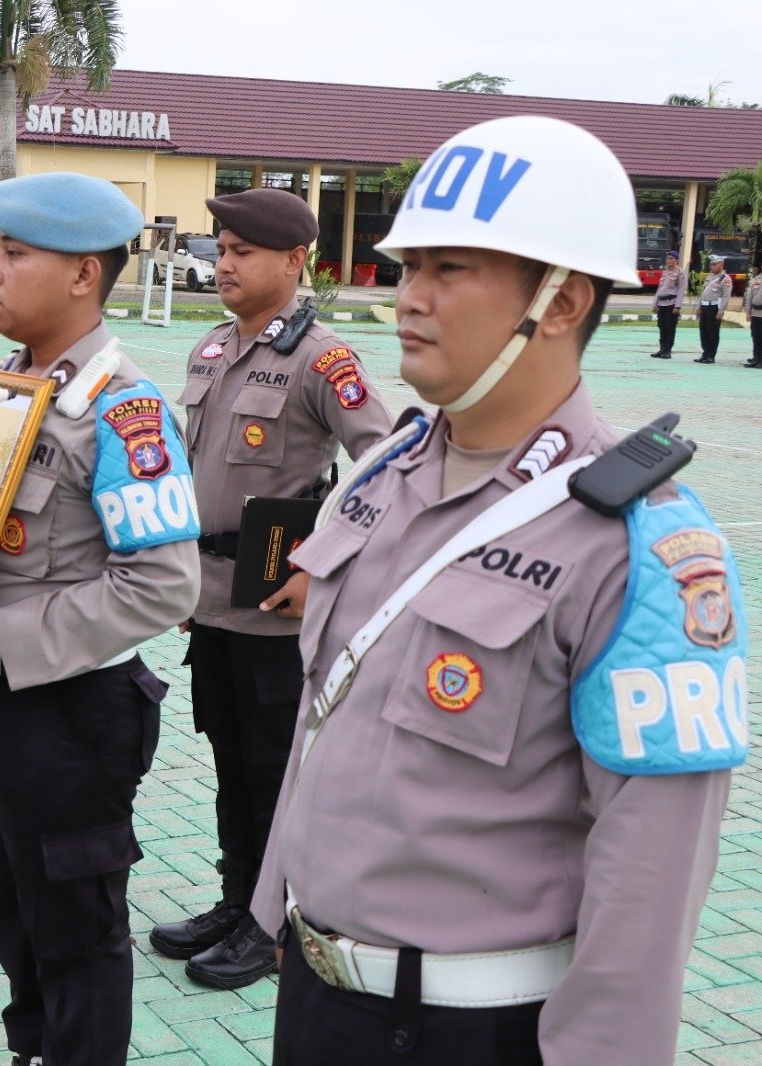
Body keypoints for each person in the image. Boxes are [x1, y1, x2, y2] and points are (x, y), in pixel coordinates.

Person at [251, 116, 745, 1065]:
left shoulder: (642, 541)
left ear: (561, 301)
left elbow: (654, 863)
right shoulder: (384, 474)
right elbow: (326, 719)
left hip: (472, 1032)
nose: (410, 297)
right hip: (318, 998)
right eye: (409, 267)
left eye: (450, 269)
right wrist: (280, 903)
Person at [0, 172, 202, 1066]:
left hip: (71, 717)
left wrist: (0, 633)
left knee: (77, 937)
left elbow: (164, 585)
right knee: (7, 908)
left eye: (14, 254)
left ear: (83, 276)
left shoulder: (121, 409)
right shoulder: (7, 385)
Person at [148, 188, 392, 991]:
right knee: (228, 761)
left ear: (294, 261)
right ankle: (235, 901)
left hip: (279, 617)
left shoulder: (324, 359)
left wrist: (322, 561)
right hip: (213, 599)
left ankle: (272, 922)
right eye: (220, 249)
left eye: (242, 252)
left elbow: (391, 467)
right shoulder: (212, 350)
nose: (223, 264)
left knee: (273, 772)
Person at [696, 252, 732, 363]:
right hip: (705, 307)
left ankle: (711, 356)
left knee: (712, 332)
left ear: (721, 265)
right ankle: (705, 353)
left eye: (714, 265)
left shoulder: (725, 279)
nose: (711, 267)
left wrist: (720, 311)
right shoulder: (709, 277)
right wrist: (699, 307)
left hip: (714, 308)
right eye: (711, 264)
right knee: (704, 331)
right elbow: (703, 293)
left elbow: (726, 296)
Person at [648, 250, 684, 358]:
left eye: (671, 259)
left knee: (670, 327)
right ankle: (662, 349)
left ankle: (668, 350)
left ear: (676, 260)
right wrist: (655, 304)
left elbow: (681, 290)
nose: (668, 261)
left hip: (671, 304)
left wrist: (677, 306)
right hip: (662, 304)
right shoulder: (665, 272)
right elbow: (660, 289)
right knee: (662, 327)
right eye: (667, 259)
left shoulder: (680, 273)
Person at [743, 268, 762, 368]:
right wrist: (748, 312)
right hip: (755, 313)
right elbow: (750, 296)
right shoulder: (757, 279)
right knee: (756, 337)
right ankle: (756, 358)